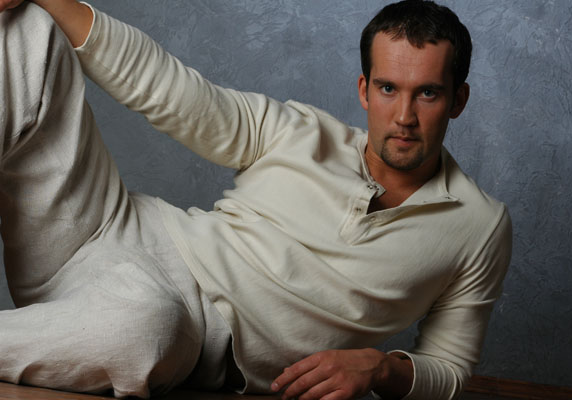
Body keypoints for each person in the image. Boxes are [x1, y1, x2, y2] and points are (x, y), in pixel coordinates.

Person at [0, 0, 512, 399]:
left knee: (142, 330)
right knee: (30, 30)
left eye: (427, 93)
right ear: (364, 89)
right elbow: (172, 91)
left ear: (458, 99)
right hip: (102, 231)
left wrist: (382, 368)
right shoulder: (299, 131)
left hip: (170, 330)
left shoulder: (479, 225)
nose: (403, 116)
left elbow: (449, 368)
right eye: (387, 89)